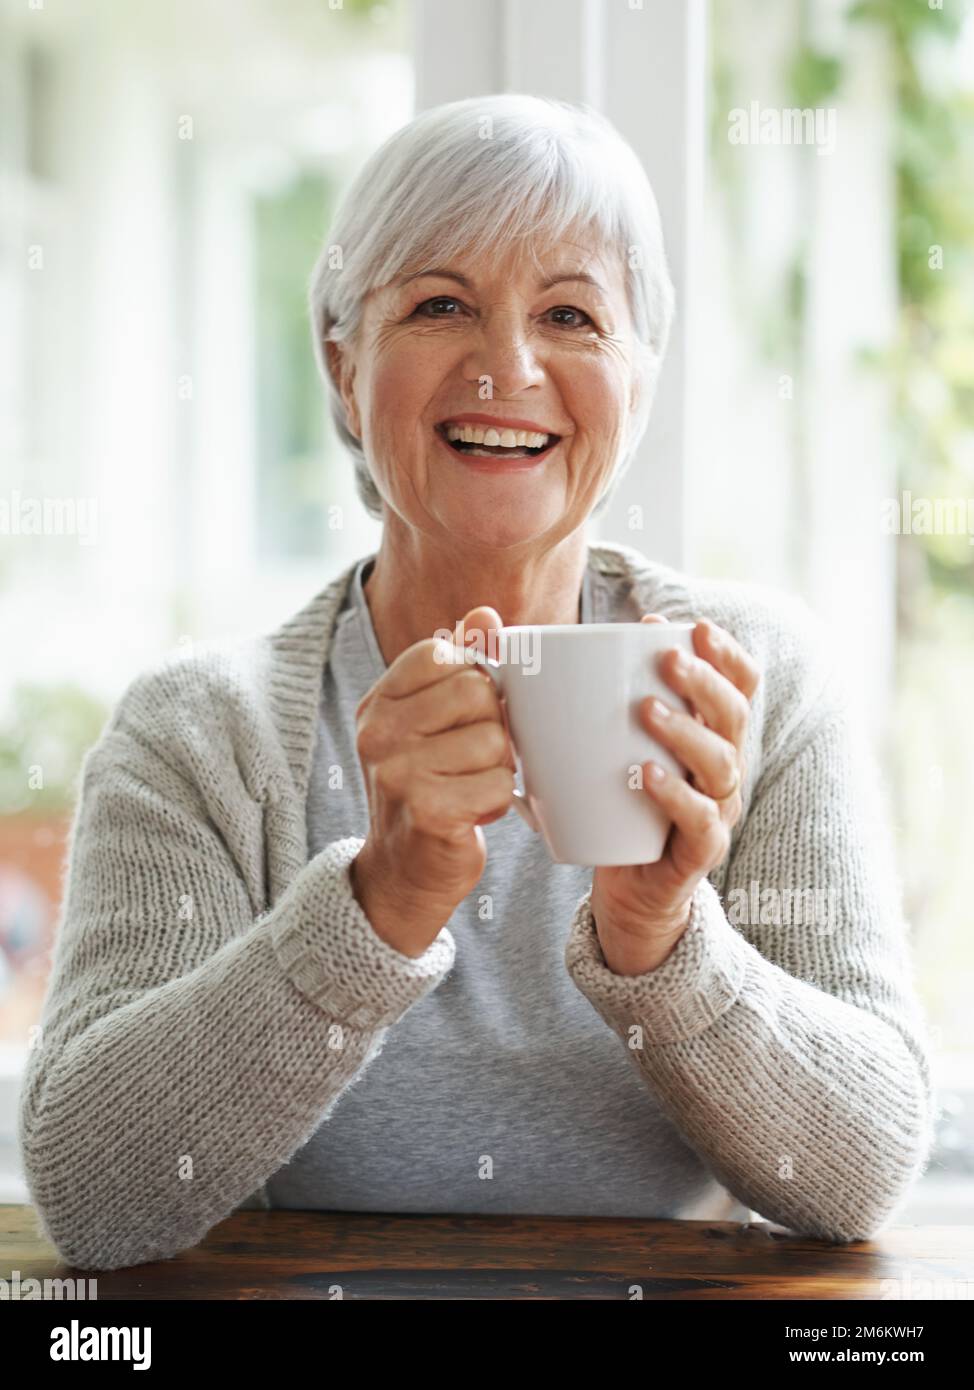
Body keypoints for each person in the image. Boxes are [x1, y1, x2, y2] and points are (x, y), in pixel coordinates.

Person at [18, 94, 935, 1271]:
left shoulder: (747, 686)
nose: (507, 367)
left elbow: (857, 1174)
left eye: (569, 315)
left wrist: (661, 937)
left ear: (639, 383)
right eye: (440, 304)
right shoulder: (201, 732)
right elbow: (94, 1197)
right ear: (343, 369)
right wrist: (376, 906)